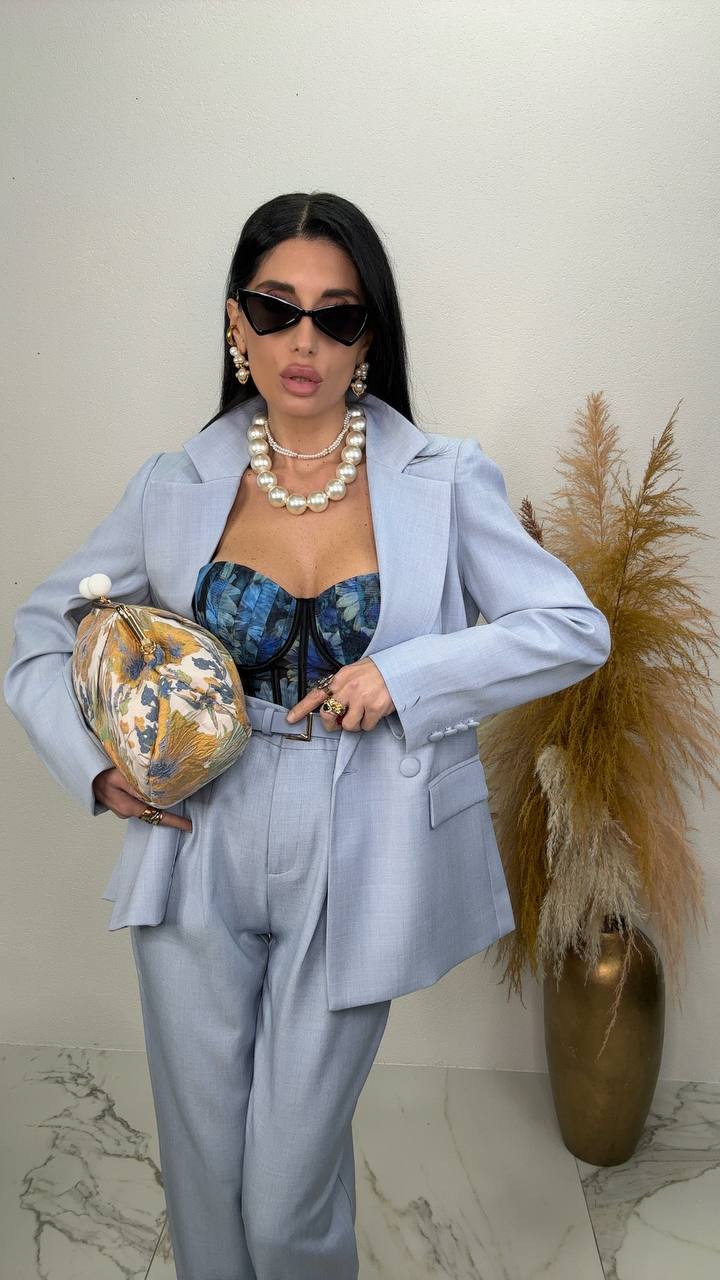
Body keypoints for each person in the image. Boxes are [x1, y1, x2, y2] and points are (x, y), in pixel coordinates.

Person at [3, 191, 612, 1279]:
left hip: (363, 836)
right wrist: (98, 768)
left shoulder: (443, 477)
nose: (304, 340)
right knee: (204, 1174)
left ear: (369, 336)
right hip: (199, 832)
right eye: (277, 308)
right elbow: (39, 633)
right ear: (235, 320)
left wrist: (404, 675)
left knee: (286, 1199)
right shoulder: (174, 481)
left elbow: (572, 627)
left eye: (338, 316)